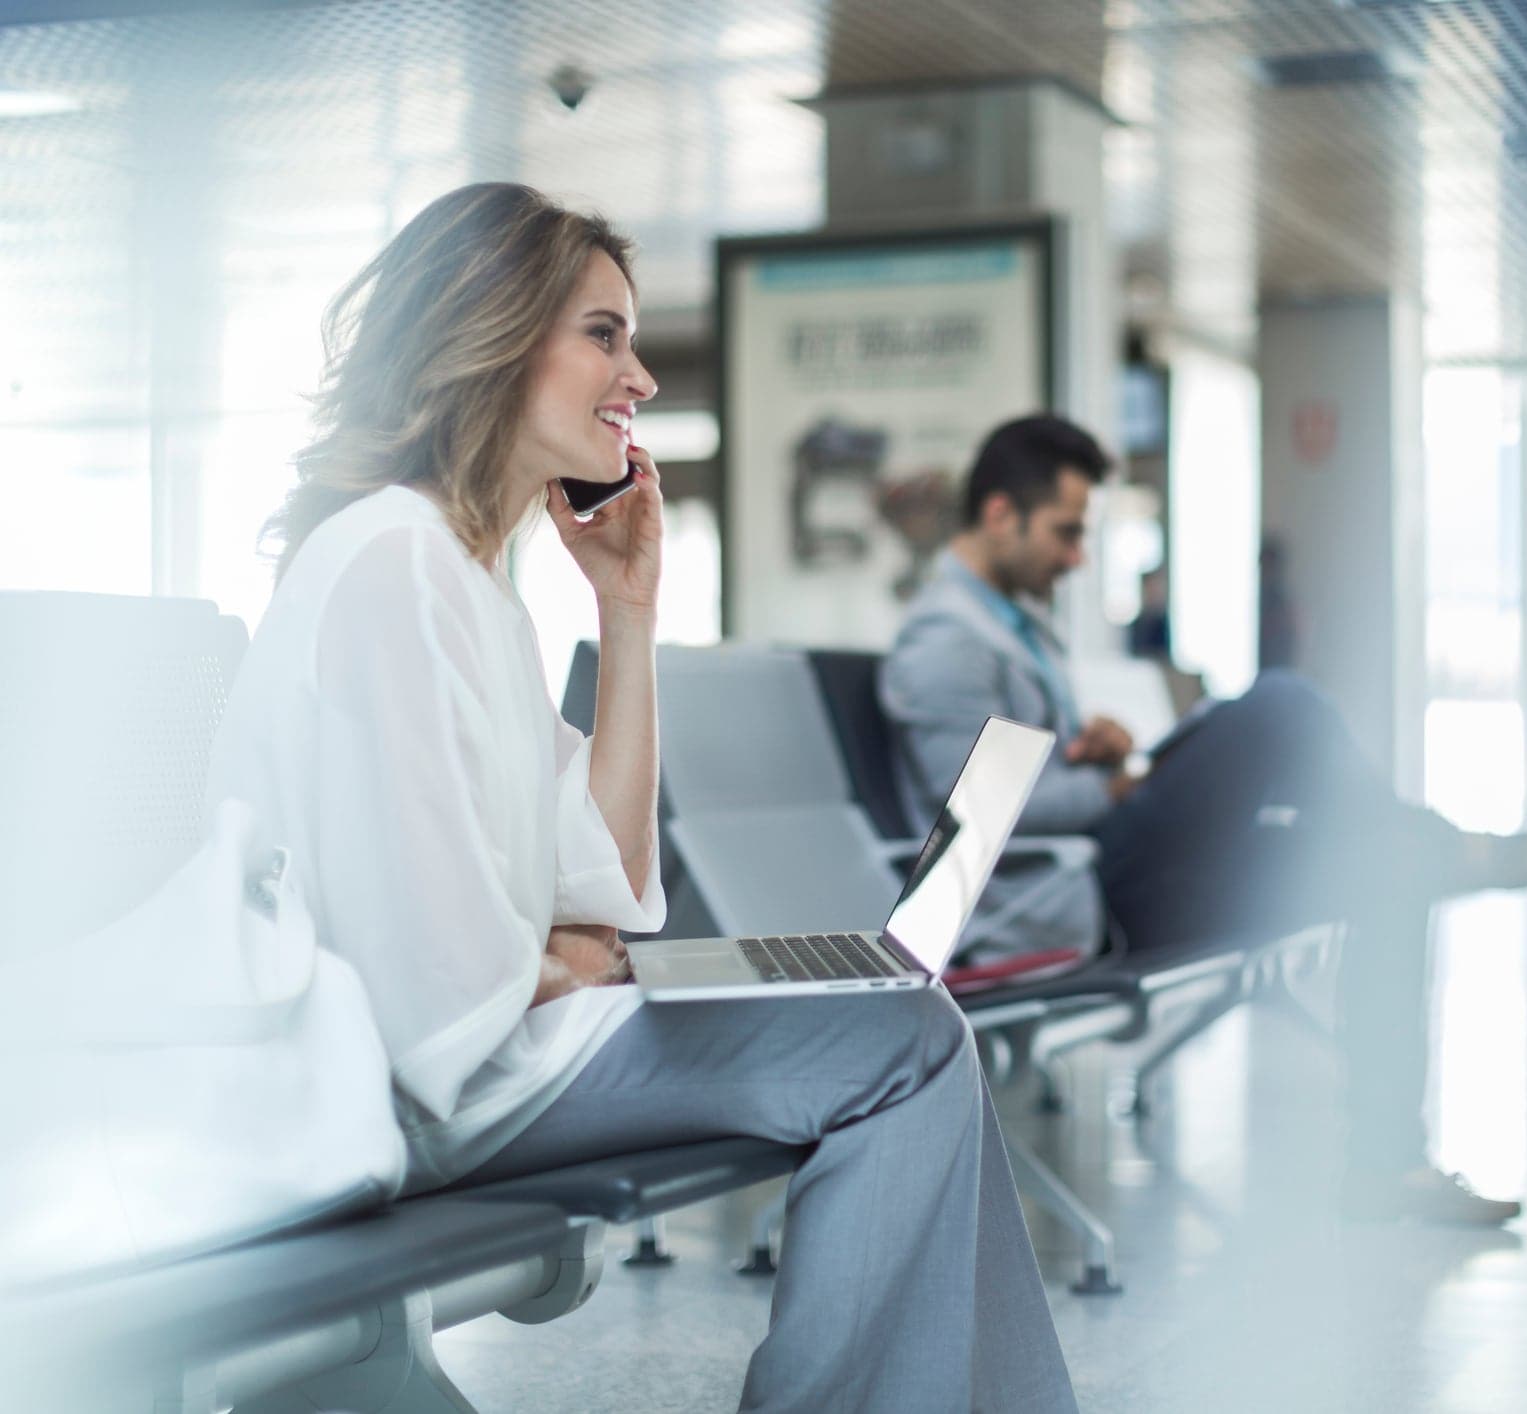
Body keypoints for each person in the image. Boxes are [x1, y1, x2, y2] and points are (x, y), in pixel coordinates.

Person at [206, 184, 1076, 1414]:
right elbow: (433, 979)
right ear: (495, 334)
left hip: (486, 1055)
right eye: (605, 334)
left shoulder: (464, 582)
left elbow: (605, 880)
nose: (642, 377)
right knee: (906, 1038)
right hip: (439, 1085)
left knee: (907, 1020)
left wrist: (627, 611)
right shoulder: (393, 563)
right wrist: (549, 958)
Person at [880, 414, 1527, 1227]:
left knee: (1385, 867)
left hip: (1113, 866)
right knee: (1281, 703)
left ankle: (1389, 1165)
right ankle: (1450, 845)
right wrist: (1113, 788)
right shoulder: (943, 643)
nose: (1076, 558)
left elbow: (1015, 769)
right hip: (1082, 898)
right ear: (1000, 514)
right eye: (1067, 534)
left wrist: (1092, 753)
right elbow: (963, 829)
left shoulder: (1006, 623)